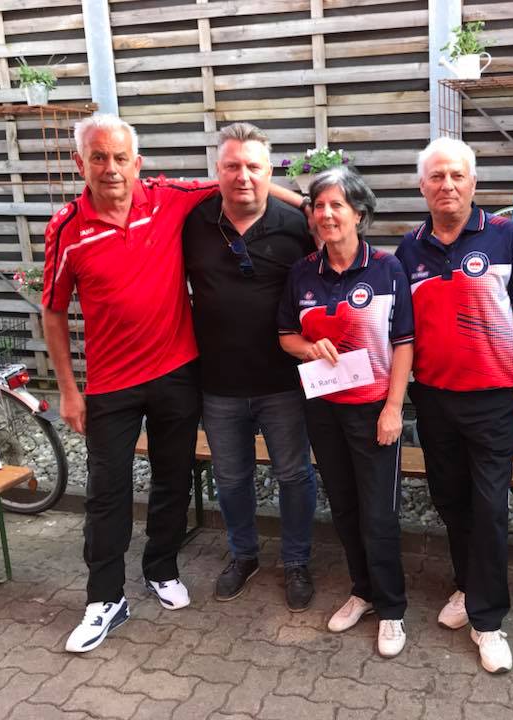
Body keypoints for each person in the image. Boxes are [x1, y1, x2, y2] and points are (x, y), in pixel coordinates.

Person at [43, 114, 218, 652]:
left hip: (176, 373)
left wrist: (306, 203)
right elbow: (53, 312)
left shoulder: (167, 199)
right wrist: (68, 390)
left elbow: (238, 180)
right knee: (106, 491)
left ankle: (161, 568)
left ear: (137, 162)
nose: (111, 168)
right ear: (81, 163)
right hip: (111, 385)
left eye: (120, 158)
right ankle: (105, 598)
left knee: (172, 478)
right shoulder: (67, 229)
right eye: (98, 157)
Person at [395, 137, 513, 675]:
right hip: (434, 400)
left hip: (494, 400)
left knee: (489, 508)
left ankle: (489, 620)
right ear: (422, 186)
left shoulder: (507, 236)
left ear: (473, 182)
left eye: (457, 175)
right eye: (436, 176)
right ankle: (466, 584)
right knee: (450, 500)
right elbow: (403, 334)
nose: (447, 185)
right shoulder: (408, 250)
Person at [277, 167, 414, 659]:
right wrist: (309, 348)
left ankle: (392, 609)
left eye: (337, 205)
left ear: (359, 213)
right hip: (324, 410)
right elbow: (286, 335)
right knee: (345, 507)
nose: (327, 214)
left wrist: (394, 408)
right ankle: (363, 591)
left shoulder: (387, 268)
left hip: (374, 411)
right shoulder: (302, 272)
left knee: (379, 514)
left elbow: (404, 343)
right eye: (319, 206)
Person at [182, 123, 317, 611]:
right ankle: (243, 555)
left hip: (283, 382)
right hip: (218, 383)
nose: (243, 176)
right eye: (232, 166)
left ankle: (297, 560)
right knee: (232, 478)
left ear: (269, 171)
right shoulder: (192, 223)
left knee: (294, 475)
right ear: (217, 170)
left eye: (254, 167)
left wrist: (304, 202)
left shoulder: (298, 226)